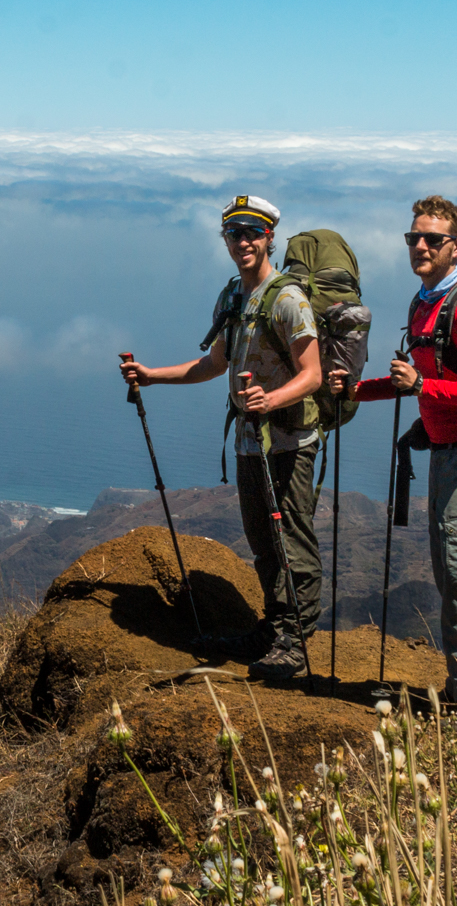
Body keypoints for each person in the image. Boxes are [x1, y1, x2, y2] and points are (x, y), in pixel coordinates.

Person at [119, 194, 324, 680]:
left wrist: (270, 402)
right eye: (235, 234)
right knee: (261, 540)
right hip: (250, 443)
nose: (244, 242)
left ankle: (295, 641)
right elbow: (215, 364)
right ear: (226, 240)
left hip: (288, 442)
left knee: (290, 540)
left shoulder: (288, 299)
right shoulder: (233, 295)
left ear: (270, 236)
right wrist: (151, 376)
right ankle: (273, 629)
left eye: (253, 232)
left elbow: (312, 373)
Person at [331, 195, 457, 714]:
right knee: (450, 576)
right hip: (444, 457)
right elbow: (411, 381)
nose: (420, 246)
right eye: (413, 237)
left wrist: (425, 388)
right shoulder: (424, 301)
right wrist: (357, 391)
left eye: (433, 239)